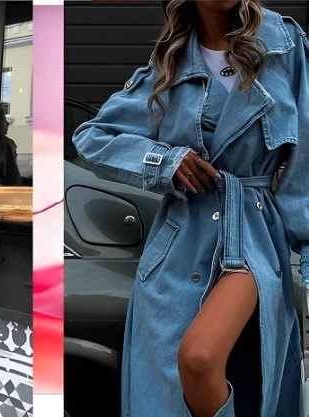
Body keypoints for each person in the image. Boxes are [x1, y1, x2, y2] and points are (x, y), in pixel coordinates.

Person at [72, 1, 307, 416]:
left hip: (253, 233)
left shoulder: (282, 43)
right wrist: (165, 161)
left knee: (199, 357)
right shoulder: (170, 61)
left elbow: (304, 163)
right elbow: (93, 137)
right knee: (172, 389)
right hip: (180, 244)